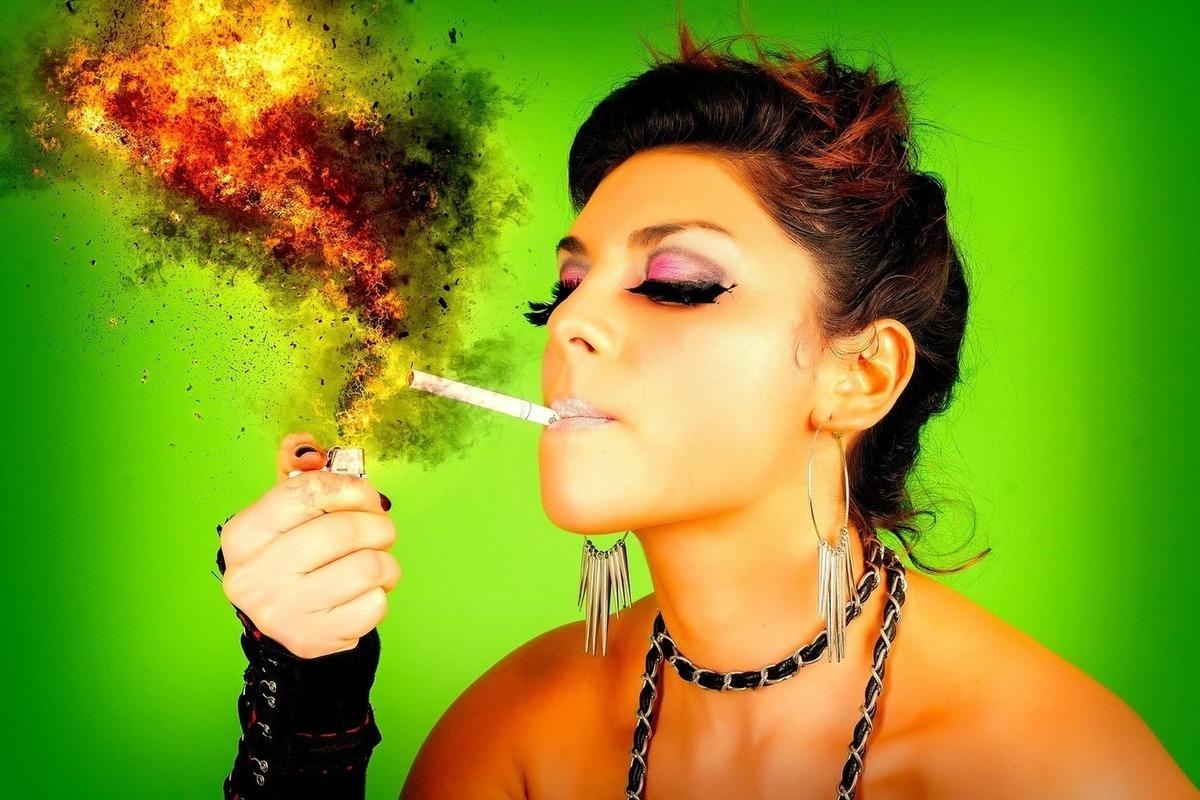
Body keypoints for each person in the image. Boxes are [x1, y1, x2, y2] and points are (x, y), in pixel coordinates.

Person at [215, 19, 1199, 800]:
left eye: (677, 282)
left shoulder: (1058, 771)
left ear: (860, 376)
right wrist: (306, 695)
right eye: (563, 289)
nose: (572, 324)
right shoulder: (510, 742)